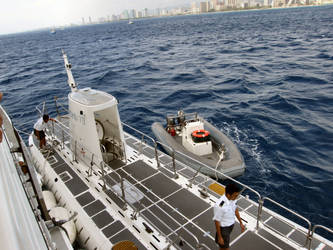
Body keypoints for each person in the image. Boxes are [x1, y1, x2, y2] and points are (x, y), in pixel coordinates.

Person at [213, 183, 245, 250]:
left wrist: (241, 223)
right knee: (225, 248)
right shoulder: (220, 206)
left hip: (230, 225)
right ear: (228, 194)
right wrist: (220, 237)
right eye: (235, 195)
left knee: (222, 247)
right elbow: (217, 221)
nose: (237, 197)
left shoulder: (233, 199)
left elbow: (235, 210)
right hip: (224, 229)